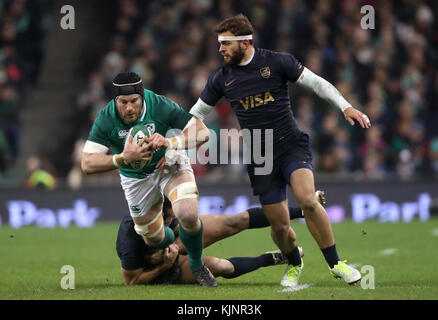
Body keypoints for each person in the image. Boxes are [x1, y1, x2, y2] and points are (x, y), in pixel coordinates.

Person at [145, 14, 370, 287]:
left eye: (226, 43)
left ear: (246, 42)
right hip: (259, 155)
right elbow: (195, 116)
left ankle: (336, 264)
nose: (220, 49)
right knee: (280, 226)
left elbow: (316, 83)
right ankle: (294, 262)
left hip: (290, 144)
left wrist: (345, 105)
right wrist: (172, 145)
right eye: (219, 43)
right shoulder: (221, 78)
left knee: (308, 200)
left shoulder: (277, 61)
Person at [81, 71, 217, 287]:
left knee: (188, 213)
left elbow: (203, 132)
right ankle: (172, 241)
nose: (129, 108)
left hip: (168, 164)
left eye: (134, 101)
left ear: (142, 97)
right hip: (135, 180)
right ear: (115, 100)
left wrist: (171, 142)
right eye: (122, 102)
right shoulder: (106, 117)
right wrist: (123, 158)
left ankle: (197, 264)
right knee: (153, 239)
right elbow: (87, 163)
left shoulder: (160, 105)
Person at [116, 193, 326, 285]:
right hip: (159, 270)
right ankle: (272, 259)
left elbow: (178, 228)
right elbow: (131, 281)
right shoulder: (131, 236)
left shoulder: (171, 215)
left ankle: (305, 210)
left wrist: (181, 240)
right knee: (219, 266)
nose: (171, 220)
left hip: (174, 248)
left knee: (235, 220)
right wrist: (164, 266)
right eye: (168, 218)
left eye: (172, 216)